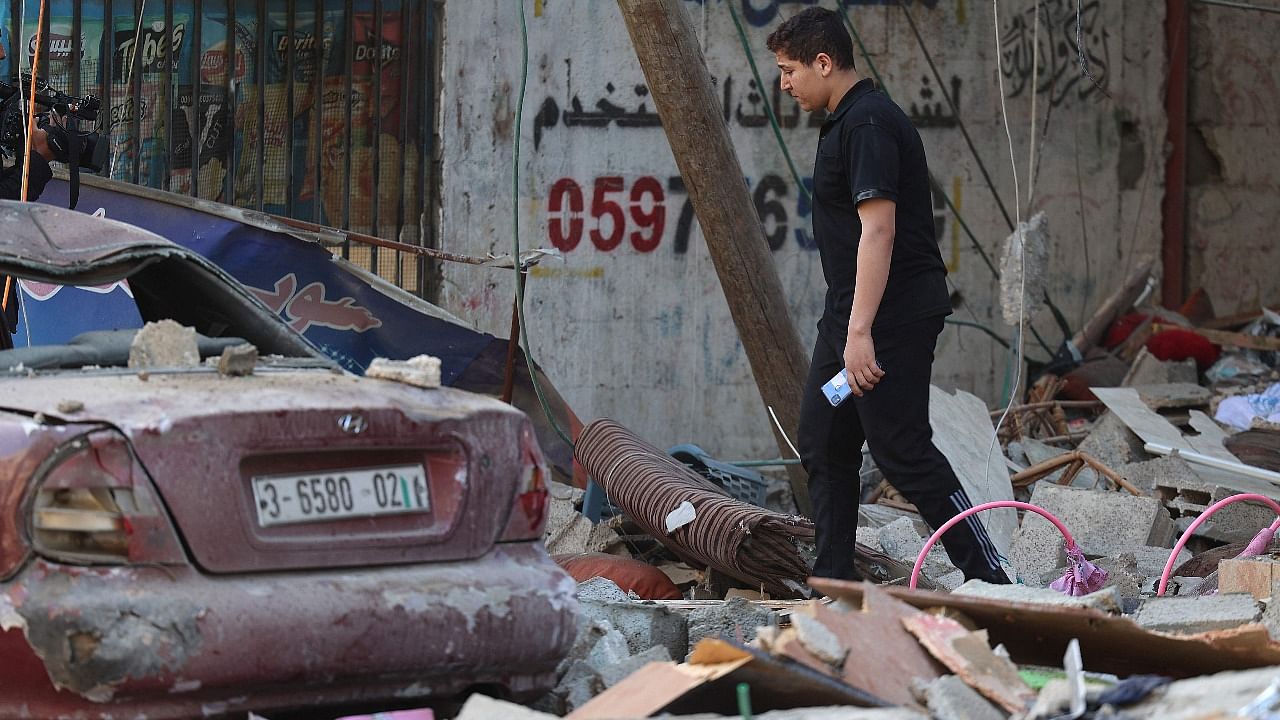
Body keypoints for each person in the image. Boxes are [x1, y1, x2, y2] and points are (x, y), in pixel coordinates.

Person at [766, 7, 1010, 585]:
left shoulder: (870, 123)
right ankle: (833, 584)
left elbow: (879, 230)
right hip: (849, 315)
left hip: (887, 320)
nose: (784, 84)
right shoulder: (847, 120)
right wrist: (846, 326)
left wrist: (860, 335)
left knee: (900, 448)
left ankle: (993, 581)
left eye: (789, 69)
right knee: (824, 438)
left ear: (824, 63)